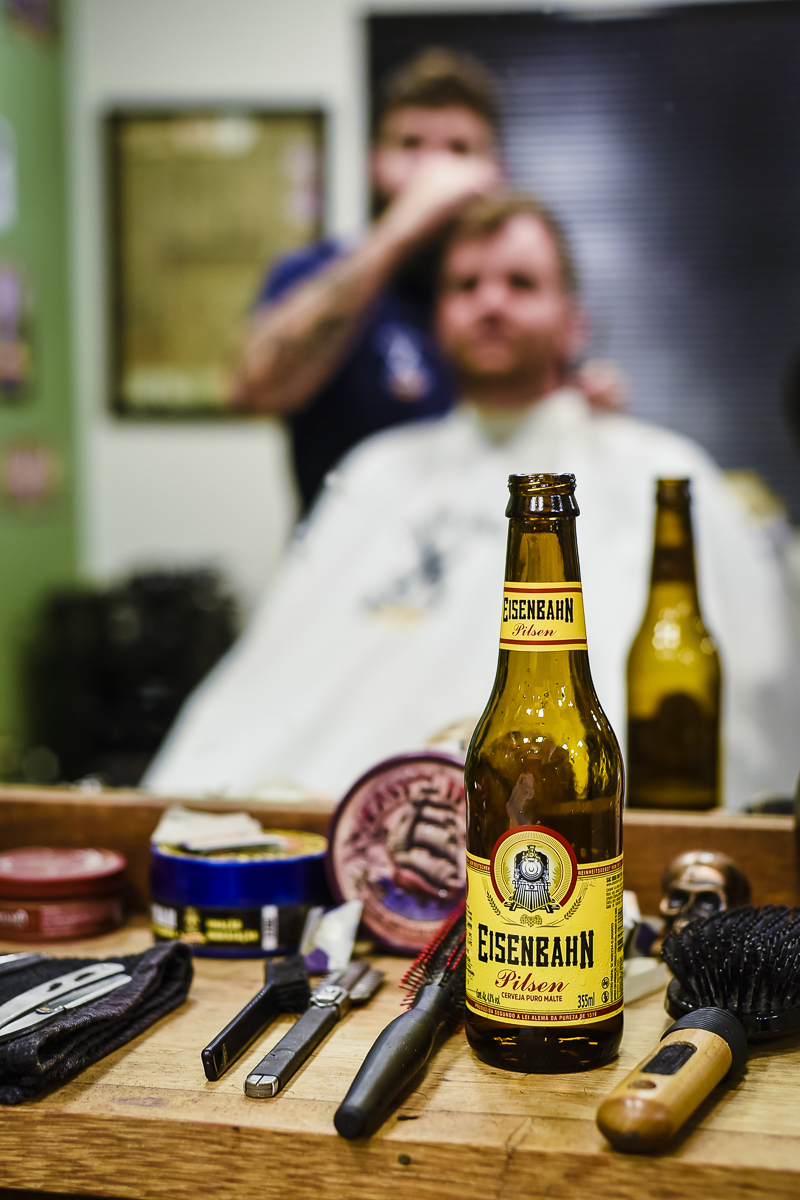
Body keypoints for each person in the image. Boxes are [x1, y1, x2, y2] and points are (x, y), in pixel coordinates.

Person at [147, 194, 800, 808]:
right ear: (437, 319)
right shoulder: (375, 470)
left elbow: (750, 716)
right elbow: (269, 681)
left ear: (575, 323)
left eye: (521, 284)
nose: (491, 302)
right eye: (466, 285)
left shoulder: (659, 471)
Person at [232, 48, 624, 511]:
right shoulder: (317, 274)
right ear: (374, 162)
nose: (435, 171)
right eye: (410, 145)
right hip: (348, 566)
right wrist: (402, 229)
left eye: (459, 149)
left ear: (497, 172)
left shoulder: (503, 292)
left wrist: (592, 420)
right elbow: (251, 391)